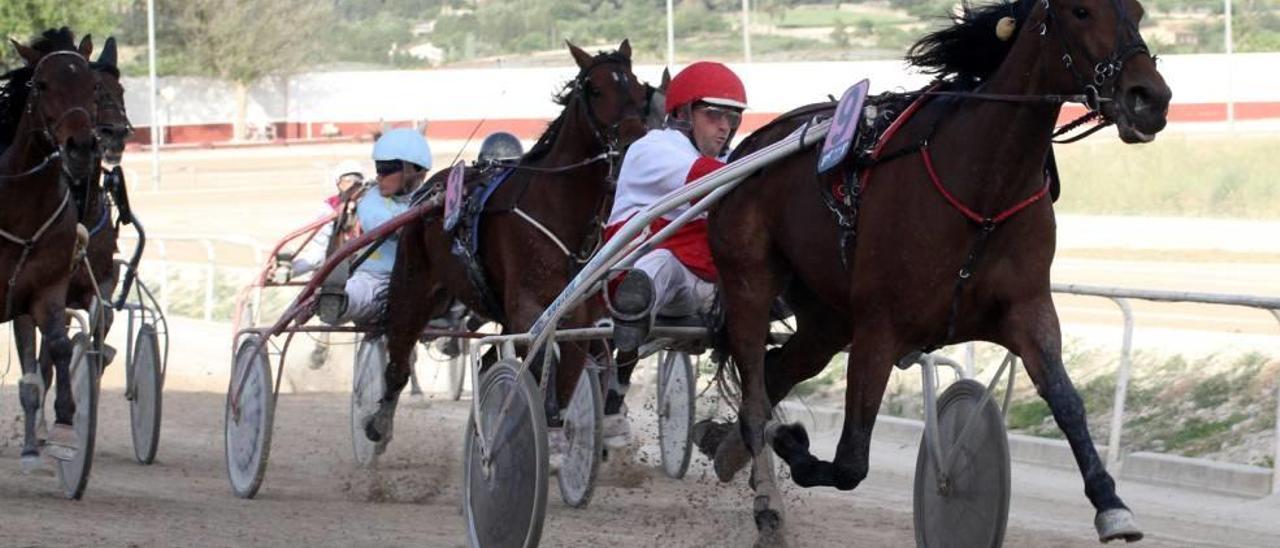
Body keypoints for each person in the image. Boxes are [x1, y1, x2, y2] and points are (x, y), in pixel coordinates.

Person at [602, 61, 748, 437]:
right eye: (714, 115)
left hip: (704, 285)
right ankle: (633, 314)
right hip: (639, 273)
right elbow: (708, 181)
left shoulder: (724, 158)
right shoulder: (653, 148)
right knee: (661, 261)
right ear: (683, 113)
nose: (725, 127)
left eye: (732, 118)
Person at [280, 128, 432, 326]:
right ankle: (334, 302)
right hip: (375, 277)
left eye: (387, 169)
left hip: (422, 280)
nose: (379, 176)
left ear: (414, 169)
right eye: (378, 168)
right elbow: (376, 220)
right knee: (358, 292)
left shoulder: (434, 196)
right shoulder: (370, 198)